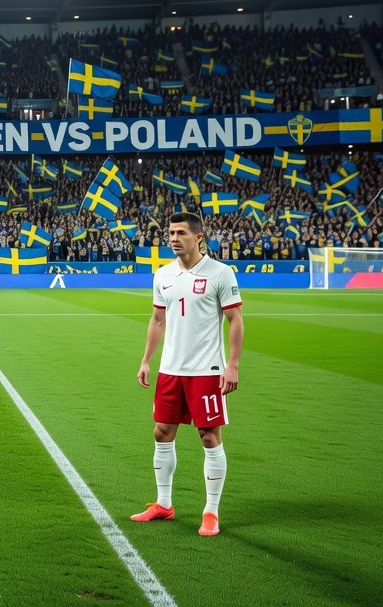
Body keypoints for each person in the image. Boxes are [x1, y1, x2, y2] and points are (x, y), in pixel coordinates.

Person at [132, 211, 243, 537]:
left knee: (209, 437)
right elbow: (157, 320)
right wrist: (146, 360)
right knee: (161, 433)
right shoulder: (162, 275)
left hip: (206, 371)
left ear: (198, 237)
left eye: (180, 233)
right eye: (170, 233)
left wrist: (232, 365)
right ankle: (163, 504)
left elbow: (236, 320)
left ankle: (211, 512)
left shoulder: (220, 273)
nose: (173, 238)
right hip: (170, 370)